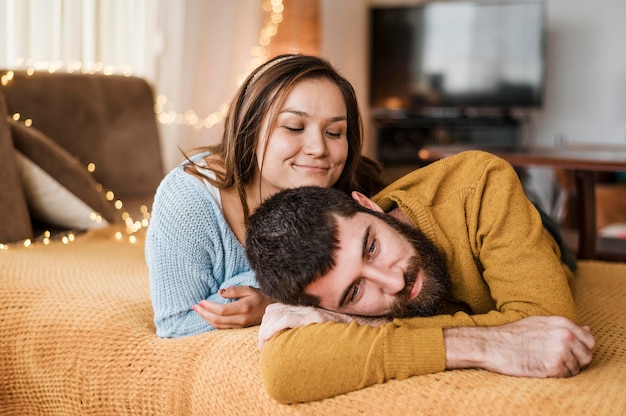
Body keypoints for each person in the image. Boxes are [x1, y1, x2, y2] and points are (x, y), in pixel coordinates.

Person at [245, 150, 596, 403]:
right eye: (355, 293)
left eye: (371, 248)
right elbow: (283, 371)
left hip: (537, 231)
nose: (394, 282)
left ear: (367, 205)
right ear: (329, 307)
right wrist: (478, 345)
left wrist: (371, 331)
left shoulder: (480, 183)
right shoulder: (319, 288)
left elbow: (549, 326)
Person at [145, 54, 385, 338]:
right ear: (251, 127)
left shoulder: (355, 196)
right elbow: (176, 325)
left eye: (334, 132)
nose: (318, 148)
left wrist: (271, 300)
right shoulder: (187, 200)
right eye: (294, 127)